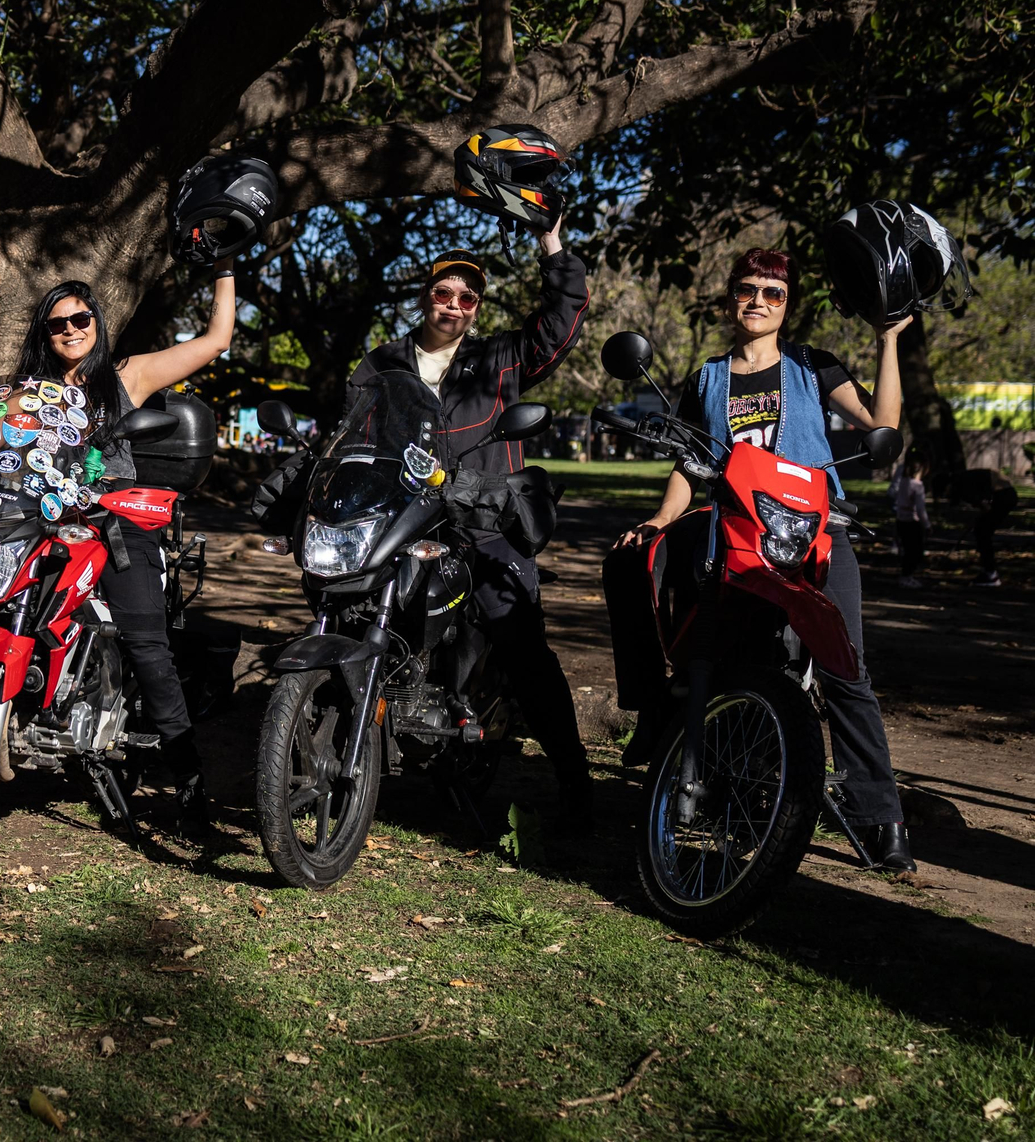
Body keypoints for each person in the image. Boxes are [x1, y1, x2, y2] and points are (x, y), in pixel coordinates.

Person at [613, 246, 915, 871]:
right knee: (707, 636)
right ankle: (692, 750)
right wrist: (662, 518)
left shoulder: (813, 366)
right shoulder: (708, 377)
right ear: (729, 299)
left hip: (816, 533)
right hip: (739, 533)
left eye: (772, 293)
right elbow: (689, 463)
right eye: (747, 290)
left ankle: (880, 818)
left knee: (844, 672)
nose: (758, 301)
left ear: (787, 305)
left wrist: (888, 340)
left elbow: (881, 422)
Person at [335, 229, 595, 830]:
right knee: (344, 599)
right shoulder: (381, 363)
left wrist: (551, 240)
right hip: (396, 518)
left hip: (482, 519)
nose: (454, 303)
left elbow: (560, 322)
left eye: (467, 297)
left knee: (523, 644)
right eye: (444, 291)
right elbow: (347, 435)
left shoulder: (499, 359)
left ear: (477, 307)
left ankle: (572, 773)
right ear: (425, 295)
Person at [4, 259, 239, 827]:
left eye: (80, 318)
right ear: (44, 332)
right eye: (57, 323)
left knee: (147, 646)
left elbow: (216, 339)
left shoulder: (125, 375)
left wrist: (224, 265)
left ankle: (187, 783)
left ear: (96, 322)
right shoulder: (24, 391)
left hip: (114, 518)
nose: (70, 329)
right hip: (38, 517)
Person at [950, 465, 1017, 587]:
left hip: (1004, 495)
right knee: (982, 531)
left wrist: (981, 508)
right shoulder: (965, 478)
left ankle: (991, 574)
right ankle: (989, 571)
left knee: (982, 532)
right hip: (1006, 494)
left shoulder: (960, 485)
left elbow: (984, 505)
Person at [889, 455, 929, 589]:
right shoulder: (918, 486)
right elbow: (920, 508)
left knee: (906, 549)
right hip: (912, 522)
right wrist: (927, 524)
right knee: (915, 551)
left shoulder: (904, 482)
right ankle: (907, 576)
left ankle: (905, 575)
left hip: (901, 520)